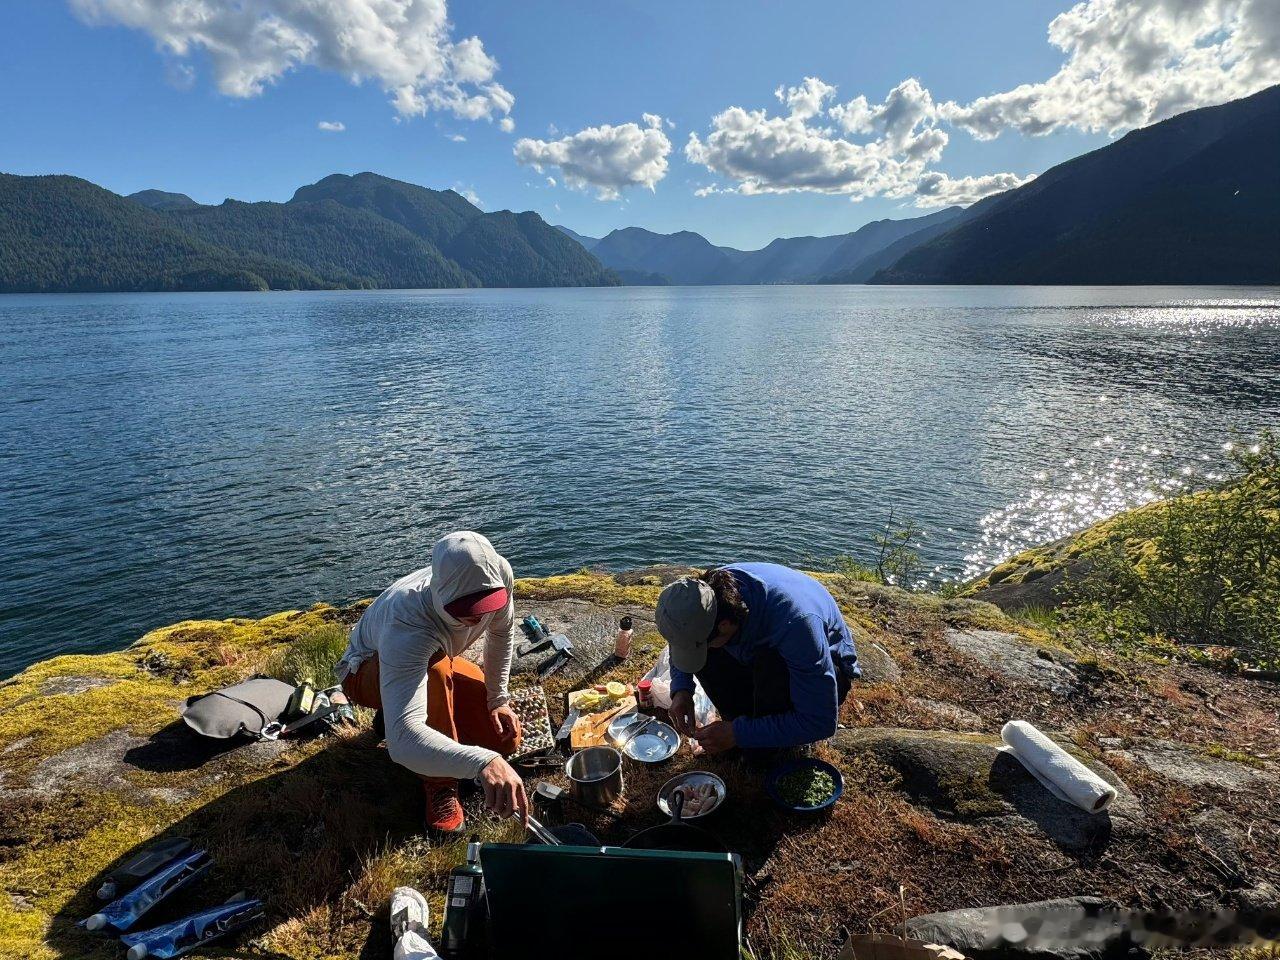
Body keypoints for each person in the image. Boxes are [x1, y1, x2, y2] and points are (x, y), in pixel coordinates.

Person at [337, 531, 528, 835]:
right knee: (435, 674)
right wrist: (482, 763)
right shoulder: (407, 622)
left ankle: (402, 706)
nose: (478, 619)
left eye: (486, 605)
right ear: (440, 595)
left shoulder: (499, 573)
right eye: (468, 610)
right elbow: (400, 745)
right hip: (364, 671)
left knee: (504, 741)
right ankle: (439, 786)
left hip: (430, 658)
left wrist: (498, 698)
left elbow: (502, 632)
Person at [656, 563, 860, 756]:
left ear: (725, 625)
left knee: (761, 751)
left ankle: (761, 739)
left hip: (821, 666)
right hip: (754, 648)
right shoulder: (703, 597)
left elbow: (819, 721)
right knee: (709, 652)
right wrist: (681, 689)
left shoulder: (797, 626)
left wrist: (739, 733)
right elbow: (683, 639)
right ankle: (742, 724)